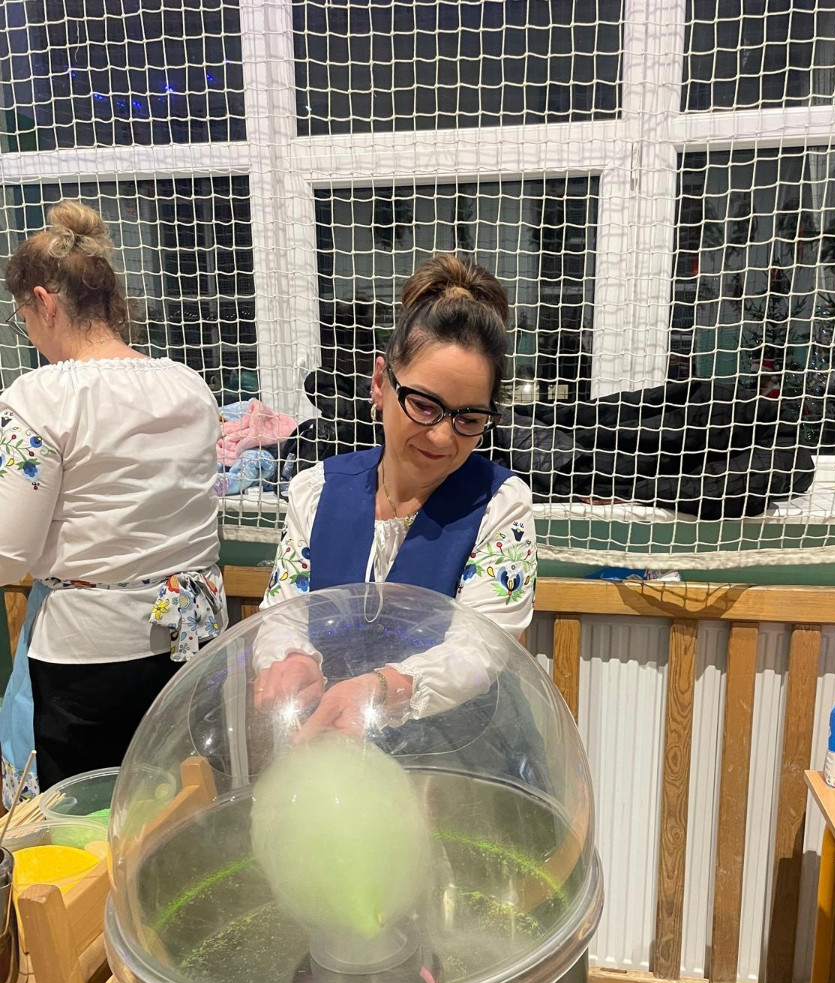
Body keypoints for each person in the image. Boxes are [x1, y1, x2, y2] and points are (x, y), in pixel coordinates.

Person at [255, 253, 538, 744]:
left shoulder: (500, 505)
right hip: (337, 750)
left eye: (469, 419)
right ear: (381, 383)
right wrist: (292, 658)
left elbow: (482, 649)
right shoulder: (315, 491)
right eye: (424, 406)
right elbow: (284, 614)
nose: (442, 437)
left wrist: (387, 688)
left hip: (461, 756)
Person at [0, 201, 226, 804]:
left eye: (25, 318)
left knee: (90, 821)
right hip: (193, 647)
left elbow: (7, 551)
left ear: (45, 302)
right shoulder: (189, 386)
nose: (31, 334)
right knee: (180, 810)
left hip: (89, 661)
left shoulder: (41, 397)